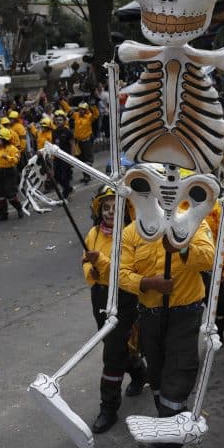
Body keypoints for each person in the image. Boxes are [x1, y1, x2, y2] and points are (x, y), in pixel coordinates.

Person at [118, 182, 216, 448]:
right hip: (150, 317)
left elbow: (209, 258)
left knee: (178, 378)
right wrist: (147, 282)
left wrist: (183, 247)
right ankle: (171, 417)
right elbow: (120, 274)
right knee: (160, 381)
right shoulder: (133, 232)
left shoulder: (191, 221)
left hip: (185, 316)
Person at [82, 186, 147, 434]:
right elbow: (87, 264)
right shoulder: (92, 233)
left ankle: (108, 408)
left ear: (125, 209)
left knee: (112, 352)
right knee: (113, 344)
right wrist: (91, 270)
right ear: (98, 210)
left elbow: (125, 274)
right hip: (99, 296)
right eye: (106, 207)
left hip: (124, 297)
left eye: (115, 206)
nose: (110, 211)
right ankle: (140, 372)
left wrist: (100, 261)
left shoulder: (132, 235)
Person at [0, 127, 22, 221]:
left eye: (0, 138)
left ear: (5, 139)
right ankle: (3, 214)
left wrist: (7, 157)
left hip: (9, 173)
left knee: (10, 195)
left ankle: (19, 208)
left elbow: (16, 160)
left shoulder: (12, 149)